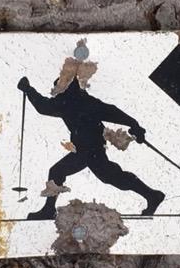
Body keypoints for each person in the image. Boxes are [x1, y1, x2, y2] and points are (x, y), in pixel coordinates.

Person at [17, 76, 165, 219]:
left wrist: (28, 89)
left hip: (89, 150)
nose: (56, 91)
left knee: (108, 176)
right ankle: (152, 195)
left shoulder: (66, 102)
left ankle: (152, 195)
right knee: (106, 176)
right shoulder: (82, 101)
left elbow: (43, 106)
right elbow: (113, 111)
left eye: (59, 87)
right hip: (88, 149)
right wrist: (134, 125)